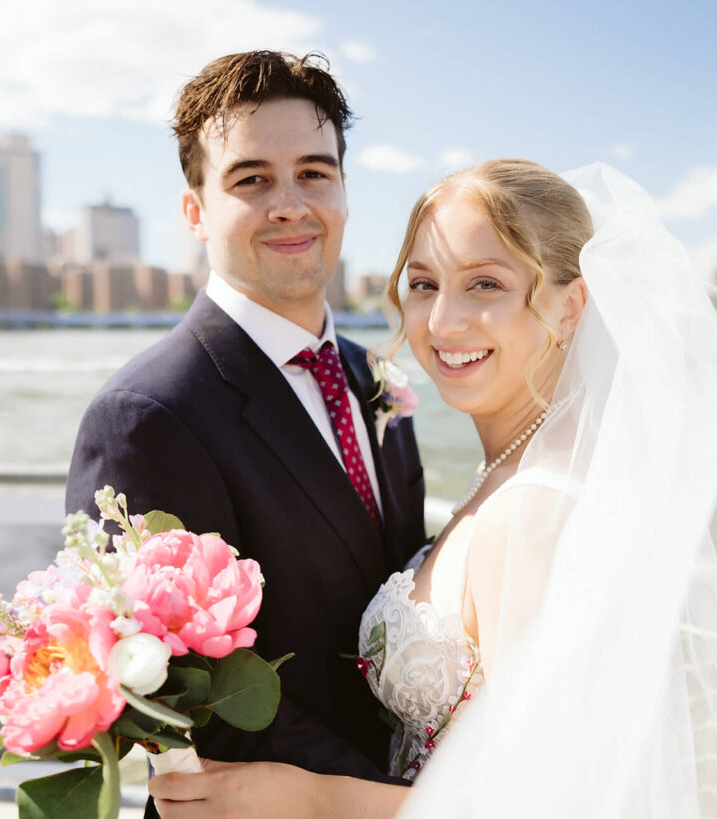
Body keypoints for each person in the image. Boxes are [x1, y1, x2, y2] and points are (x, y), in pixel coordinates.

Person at [149, 159, 717, 817]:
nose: (443, 322)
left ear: (569, 303)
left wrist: (314, 799)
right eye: (422, 284)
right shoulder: (503, 477)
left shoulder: (540, 510)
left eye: (484, 284)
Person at [66, 50, 427, 817]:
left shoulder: (375, 377)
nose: (291, 203)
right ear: (195, 212)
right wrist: (404, 802)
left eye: (315, 172)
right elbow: (186, 693)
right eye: (251, 178)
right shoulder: (145, 415)